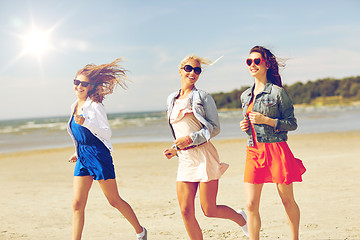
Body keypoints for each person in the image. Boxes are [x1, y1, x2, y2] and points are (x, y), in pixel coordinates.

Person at [163, 55, 248, 240]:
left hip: (203, 156)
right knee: (185, 210)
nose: (192, 72)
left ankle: (241, 219)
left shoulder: (203, 97)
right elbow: (179, 130)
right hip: (185, 160)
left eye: (197, 70)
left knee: (209, 209)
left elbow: (214, 128)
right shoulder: (171, 99)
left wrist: (190, 139)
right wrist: (174, 148)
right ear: (180, 70)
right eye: (188, 68)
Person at [67, 58, 147, 240]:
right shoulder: (74, 106)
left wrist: (85, 122)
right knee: (77, 204)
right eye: (76, 82)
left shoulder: (95, 106)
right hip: (83, 157)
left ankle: (140, 231)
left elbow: (106, 133)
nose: (79, 86)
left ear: (90, 87)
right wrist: (76, 151)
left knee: (114, 200)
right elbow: (79, 134)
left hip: (98, 156)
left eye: (83, 84)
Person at [239, 46, 306, 240]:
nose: (252, 64)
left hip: (276, 150)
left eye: (257, 61)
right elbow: (252, 123)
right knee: (251, 204)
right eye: (249, 61)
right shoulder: (245, 96)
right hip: (253, 150)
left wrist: (266, 120)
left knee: (286, 200)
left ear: (267, 64)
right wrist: (246, 125)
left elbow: (292, 123)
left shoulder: (278, 93)